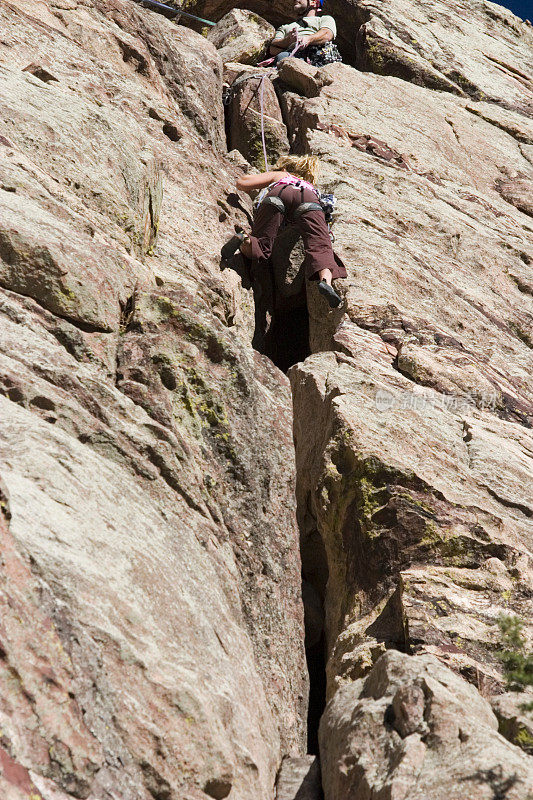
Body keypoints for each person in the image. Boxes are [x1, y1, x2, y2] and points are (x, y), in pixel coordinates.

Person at [221, 154, 346, 308]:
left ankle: (244, 238)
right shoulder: (310, 186)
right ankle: (325, 282)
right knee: (321, 247)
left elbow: (242, 183)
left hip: (279, 193)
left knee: (262, 244)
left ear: (286, 167)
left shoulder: (282, 175)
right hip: (309, 200)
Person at [268, 0, 341, 67]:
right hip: (292, 55)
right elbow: (273, 48)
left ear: (314, 2)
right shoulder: (285, 27)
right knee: (282, 57)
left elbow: (327, 34)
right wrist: (287, 41)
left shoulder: (324, 19)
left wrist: (308, 39)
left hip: (317, 55)